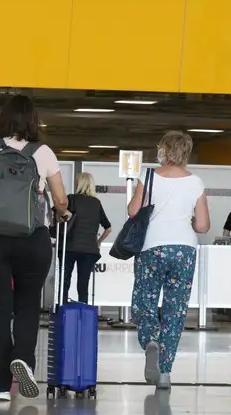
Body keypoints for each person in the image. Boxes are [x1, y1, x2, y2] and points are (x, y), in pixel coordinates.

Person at [0, 94, 69, 403]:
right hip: (32, 238)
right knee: (28, 304)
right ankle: (23, 358)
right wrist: (63, 212)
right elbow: (60, 200)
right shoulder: (43, 152)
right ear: (34, 121)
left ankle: (0, 387)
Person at [128, 131, 209, 391]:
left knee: (145, 301)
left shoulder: (149, 176)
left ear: (163, 150)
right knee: (176, 310)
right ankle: (165, 372)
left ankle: (151, 340)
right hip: (184, 250)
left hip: (152, 247)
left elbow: (133, 211)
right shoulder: (196, 182)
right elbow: (203, 225)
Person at [63, 172, 111, 305]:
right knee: (83, 284)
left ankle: (63, 309)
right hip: (89, 250)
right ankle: (83, 312)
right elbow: (108, 228)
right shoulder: (96, 203)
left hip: (70, 246)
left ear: (79, 183)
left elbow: (59, 215)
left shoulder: (71, 199)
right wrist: (98, 242)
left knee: (65, 281)